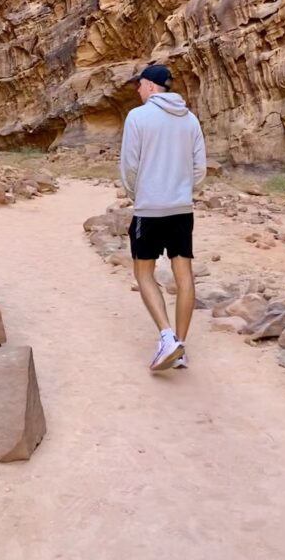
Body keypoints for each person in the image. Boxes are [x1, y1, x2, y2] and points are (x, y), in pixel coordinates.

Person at [120, 64, 207, 372]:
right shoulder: (191, 119)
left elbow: (130, 164)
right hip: (182, 209)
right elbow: (200, 167)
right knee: (184, 275)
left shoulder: (138, 117)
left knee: (144, 273)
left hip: (150, 208)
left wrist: (135, 192)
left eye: (140, 85)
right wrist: (185, 190)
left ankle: (167, 337)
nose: (138, 90)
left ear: (152, 87)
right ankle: (180, 347)